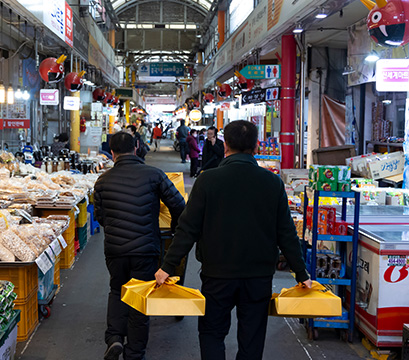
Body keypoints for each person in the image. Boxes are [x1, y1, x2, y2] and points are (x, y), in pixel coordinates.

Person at [155, 120, 311, 360]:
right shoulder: (272, 183)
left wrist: (168, 266)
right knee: (252, 338)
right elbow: (286, 233)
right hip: (258, 277)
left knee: (212, 333)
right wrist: (301, 273)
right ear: (256, 147)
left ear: (225, 145)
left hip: (217, 276)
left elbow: (188, 229)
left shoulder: (208, 180)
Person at [94, 132, 186, 360]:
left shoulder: (102, 180)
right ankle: (134, 353)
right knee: (140, 298)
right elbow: (179, 204)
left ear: (112, 153)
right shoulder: (154, 174)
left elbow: (100, 217)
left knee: (117, 291)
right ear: (136, 148)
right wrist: (173, 227)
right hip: (146, 248)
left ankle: (114, 339)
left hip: (115, 249)